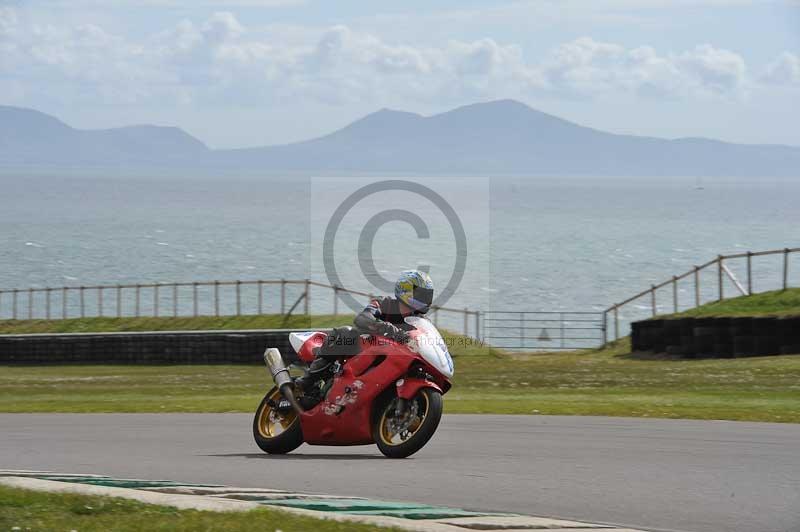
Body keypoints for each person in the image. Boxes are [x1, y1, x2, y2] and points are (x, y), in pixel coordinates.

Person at [295, 270, 434, 393]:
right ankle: (309, 379)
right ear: (405, 290)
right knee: (345, 333)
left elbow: (425, 341)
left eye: (426, 296)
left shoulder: (420, 321)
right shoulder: (384, 303)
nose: (423, 299)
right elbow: (362, 318)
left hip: (393, 359)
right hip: (365, 348)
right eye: (420, 294)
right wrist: (388, 328)